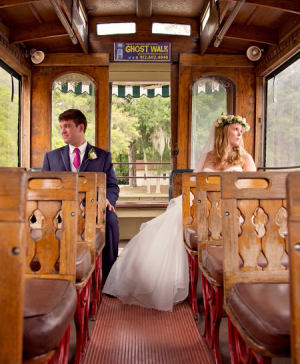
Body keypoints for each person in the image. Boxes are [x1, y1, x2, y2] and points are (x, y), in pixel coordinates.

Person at [103, 115, 256, 311]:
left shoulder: (245, 159)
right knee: (173, 226)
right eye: (235, 129)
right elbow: (193, 185)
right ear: (223, 132)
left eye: (240, 130)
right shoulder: (207, 157)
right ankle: (166, 281)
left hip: (233, 208)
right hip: (202, 205)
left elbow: (250, 190)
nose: (239, 133)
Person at [42, 109, 120, 282]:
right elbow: (43, 187)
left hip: (93, 208)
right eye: (61, 126)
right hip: (59, 211)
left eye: (67, 126)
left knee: (111, 221)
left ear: (81, 127)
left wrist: (107, 199)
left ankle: (110, 279)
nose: (62, 130)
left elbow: (112, 185)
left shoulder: (102, 156)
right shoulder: (50, 157)